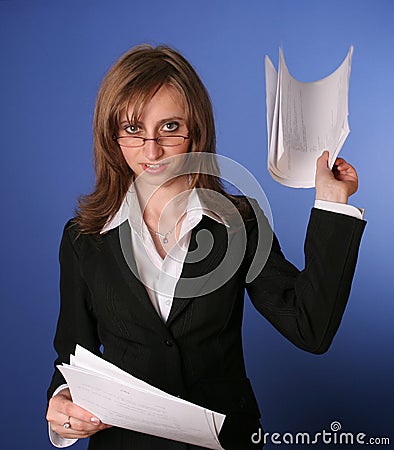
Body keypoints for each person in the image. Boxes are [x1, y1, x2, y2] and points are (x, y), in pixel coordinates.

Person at [46, 44, 366, 450]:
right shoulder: (82, 238)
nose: (151, 150)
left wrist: (332, 204)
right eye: (132, 129)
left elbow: (310, 329)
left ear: (195, 128)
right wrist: (61, 402)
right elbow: (73, 356)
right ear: (111, 135)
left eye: (169, 127)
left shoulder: (240, 223)